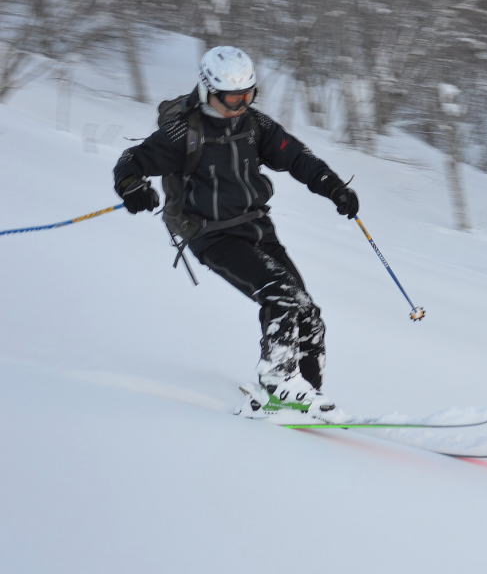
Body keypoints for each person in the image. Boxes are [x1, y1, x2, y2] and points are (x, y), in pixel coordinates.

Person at [113, 45, 358, 419]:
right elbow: (131, 162)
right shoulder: (184, 132)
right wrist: (133, 187)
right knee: (281, 294)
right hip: (211, 234)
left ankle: (307, 397)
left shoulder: (254, 125)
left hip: (256, 225)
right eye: (232, 98)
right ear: (208, 90)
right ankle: (279, 382)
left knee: (308, 312)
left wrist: (334, 187)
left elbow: (296, 157)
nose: (240, 105)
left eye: (248, 96)